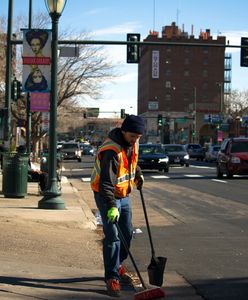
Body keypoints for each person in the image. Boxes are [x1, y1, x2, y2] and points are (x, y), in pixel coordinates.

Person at [91, 114, 145, 297]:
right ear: (123, 132)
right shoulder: (111, 150)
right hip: (106, 196)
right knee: (113, 236)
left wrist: (137, 174)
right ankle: (111, 278)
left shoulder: (133, 143)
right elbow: (106, 183)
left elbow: (131, 162)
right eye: (132, 137)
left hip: (124, 194)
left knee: (127, 232)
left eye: (138, 137)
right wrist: (112, 206)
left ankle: (117, 264)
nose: (135, 140)